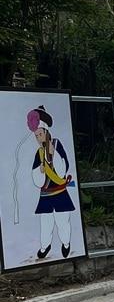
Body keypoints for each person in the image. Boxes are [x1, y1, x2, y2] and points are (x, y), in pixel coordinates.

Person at [26, 106, 76, 259]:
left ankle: (66, 243)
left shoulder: (57, 144)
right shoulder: (39, 153)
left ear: (46, 132)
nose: (39, 137)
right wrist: (39, 171)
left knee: (63, 221)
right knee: (45, 223)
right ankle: (44, 246)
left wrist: (55, 156)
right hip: (46, 194)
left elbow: (64, 167)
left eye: (40, 134)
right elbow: (37, 179)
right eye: (36, 135)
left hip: (60, 191)